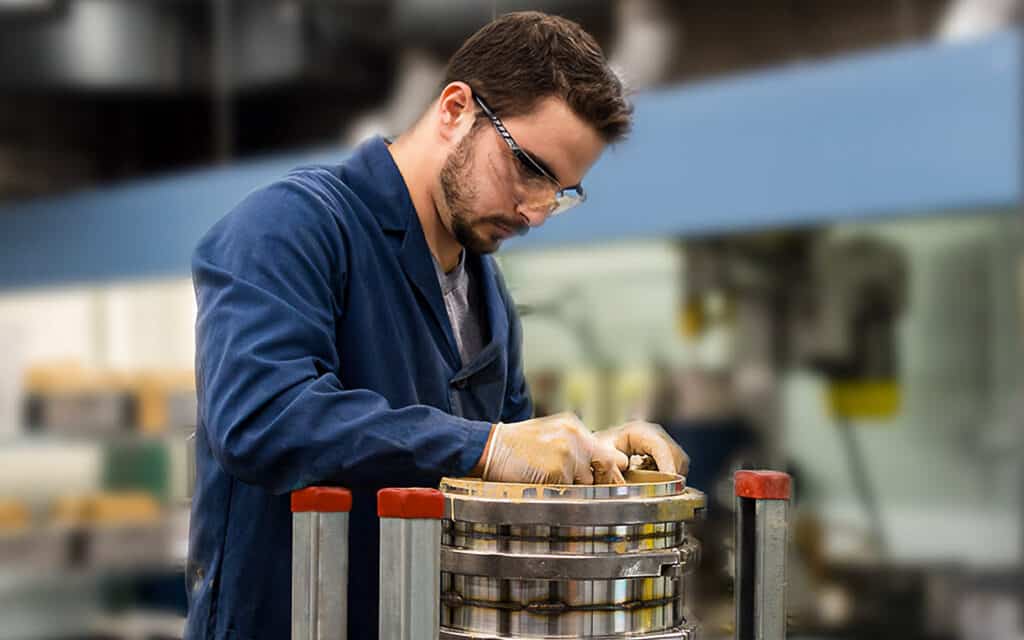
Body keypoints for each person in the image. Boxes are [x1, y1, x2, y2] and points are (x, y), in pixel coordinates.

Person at [185, 11, 688, 639]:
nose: (535, 212)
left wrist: (591, 460)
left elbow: (498, 484)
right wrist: (487, 447)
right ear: (455, 111)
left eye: (561, 193)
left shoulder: (487, 296)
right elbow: (261, 419)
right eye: (529, 169)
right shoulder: (291, 227)